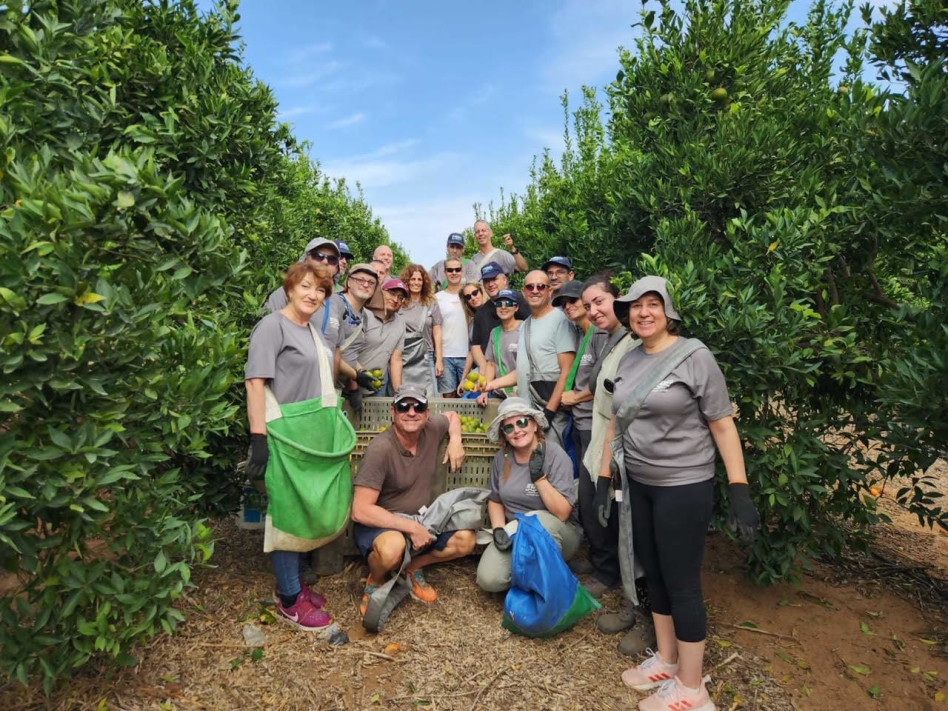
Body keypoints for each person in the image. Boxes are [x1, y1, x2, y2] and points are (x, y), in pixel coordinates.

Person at [600, 276, 759, 711]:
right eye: (635, 306)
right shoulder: (630, 358)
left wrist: (739, 488)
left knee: (681, 581)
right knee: (653, 573)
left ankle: (692, 689)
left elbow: (722, 424)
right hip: (640, 484)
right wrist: (604, 477)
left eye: (653, 304)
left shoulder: (694, 356)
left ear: (668, 311)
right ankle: (668, 659)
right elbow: (616, 422)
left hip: (683, 485)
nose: (643, 312)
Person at [245, 261, 337, 630]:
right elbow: (255, 382)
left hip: (310, 435)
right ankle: (288, 599)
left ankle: (295, 583)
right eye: (306, 286)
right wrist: (259, 438)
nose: (313, 294)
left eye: (321, 290)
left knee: (305, 507)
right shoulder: (273, 326)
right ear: (289, 289)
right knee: (286, 511)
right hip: (284, 433)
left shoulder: (312, 330)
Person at [577, 273, 652, 655]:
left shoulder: (637, 343)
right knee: (597, 510)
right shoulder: (609, 338)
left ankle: (645, 613)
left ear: (617, 300)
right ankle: (615, 580)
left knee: (634, 531)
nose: (593, 311)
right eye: (587, 306)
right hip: (603, 440)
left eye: (599, 302)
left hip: (629, 451)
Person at [352, 386, 476, 613]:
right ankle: (376, 579)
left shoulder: (431, 429)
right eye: (404, 407)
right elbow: (360, 510)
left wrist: (456, 440)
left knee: (466, 540)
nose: (411, 412)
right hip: (385, 524)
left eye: (418, 406)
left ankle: (412, 567)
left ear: (427, 413)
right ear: (393, 412)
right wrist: (411, 528)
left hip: (422, 518)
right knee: (392, 548)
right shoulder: (381, 448)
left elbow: (452, 416)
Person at [476, 398, 581, 592]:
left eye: (522, 422)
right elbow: (495, 500)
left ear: (534, 425)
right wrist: (499, 529)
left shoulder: (555, 455)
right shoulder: (503, 458)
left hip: (557, 531)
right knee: (488, 579)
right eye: (509, 428)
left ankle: (547, 581)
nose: (516, 430)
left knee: (536, 519)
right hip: (517, 533)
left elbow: (563, 513)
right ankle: (529, 572)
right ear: (504, 434)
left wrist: (539, 479)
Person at [490, 271, 577, 448]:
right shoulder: (525, 325)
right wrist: (490, 385)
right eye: (530, 287)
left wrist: (549, 413)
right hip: (529, 412)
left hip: (551, 410)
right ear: (524, 292)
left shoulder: (560, 320)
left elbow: (567, 371)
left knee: (552, 458)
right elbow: (523, 370)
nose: (535, 290)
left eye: (540, 286)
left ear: (550, 291)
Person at [469, 262, 530, 372]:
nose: (490, 284)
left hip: (519, 364)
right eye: (486, 281)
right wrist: (483, 367)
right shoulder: (481, 313)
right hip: (490, 364)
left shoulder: (520, 300)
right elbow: (475, 346)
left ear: (505, 280)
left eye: (494, 279)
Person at [264, 238, 341, 315]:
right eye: (318, 256)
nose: (325, 262)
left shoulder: (338, 302)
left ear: (336, 268)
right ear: (305, 260)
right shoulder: (285, 293)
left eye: (332, 259)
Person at [399, 264, 443, 397]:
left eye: (419, 279)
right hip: (403, 356)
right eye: (413, 279)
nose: (416, 283)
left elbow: (437, 331)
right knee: (405, 396)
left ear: (424, 282)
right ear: (407, 281)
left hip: (426, 355)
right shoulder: (399, 303)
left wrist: (439, 359)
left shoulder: (431, 303)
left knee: (429, 396)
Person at [360, 278, 407, 396]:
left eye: (400, 297)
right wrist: (355, 382)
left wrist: (398, 393)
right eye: (392, 293)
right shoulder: (363, 314)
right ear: (381, 292)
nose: (395, 300)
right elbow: (349, 353)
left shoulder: (400, 323)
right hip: (351, 383)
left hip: (377, 386)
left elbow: (396, 359)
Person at [433, 258, 469, 398]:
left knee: (468, 397)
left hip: (468, 355)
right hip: (445, 355)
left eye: (457, 269)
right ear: (445, 273)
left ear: (462, 271)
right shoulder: (437, 298)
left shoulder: (470, 295)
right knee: (448, 398)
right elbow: (435, 329)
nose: (454, 273)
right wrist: (438, 359)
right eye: (450, 270)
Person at [479, 289, 523, 401]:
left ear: (516, 307)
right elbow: (491, 364)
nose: (503, 307)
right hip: (499, 393)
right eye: (499, 304)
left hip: (521, 394)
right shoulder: (495, 332)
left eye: (508, 303)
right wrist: (485, 391)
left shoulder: (525, 329)